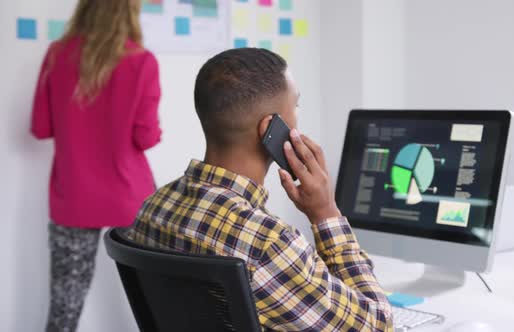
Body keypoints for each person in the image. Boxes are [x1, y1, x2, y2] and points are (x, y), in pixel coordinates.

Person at [126, 48, 393, 331]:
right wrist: (326, 214)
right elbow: (377, 327)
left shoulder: (153, 206)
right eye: (297, 106)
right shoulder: (268, 245)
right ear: (271, 127)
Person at [30, 0, 162, 330]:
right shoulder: (141, 61)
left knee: (65, 305)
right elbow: (146, 138)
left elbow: (40, 127)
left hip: (73, 197)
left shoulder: (57, 54)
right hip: (130, 198)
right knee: (158, 299)